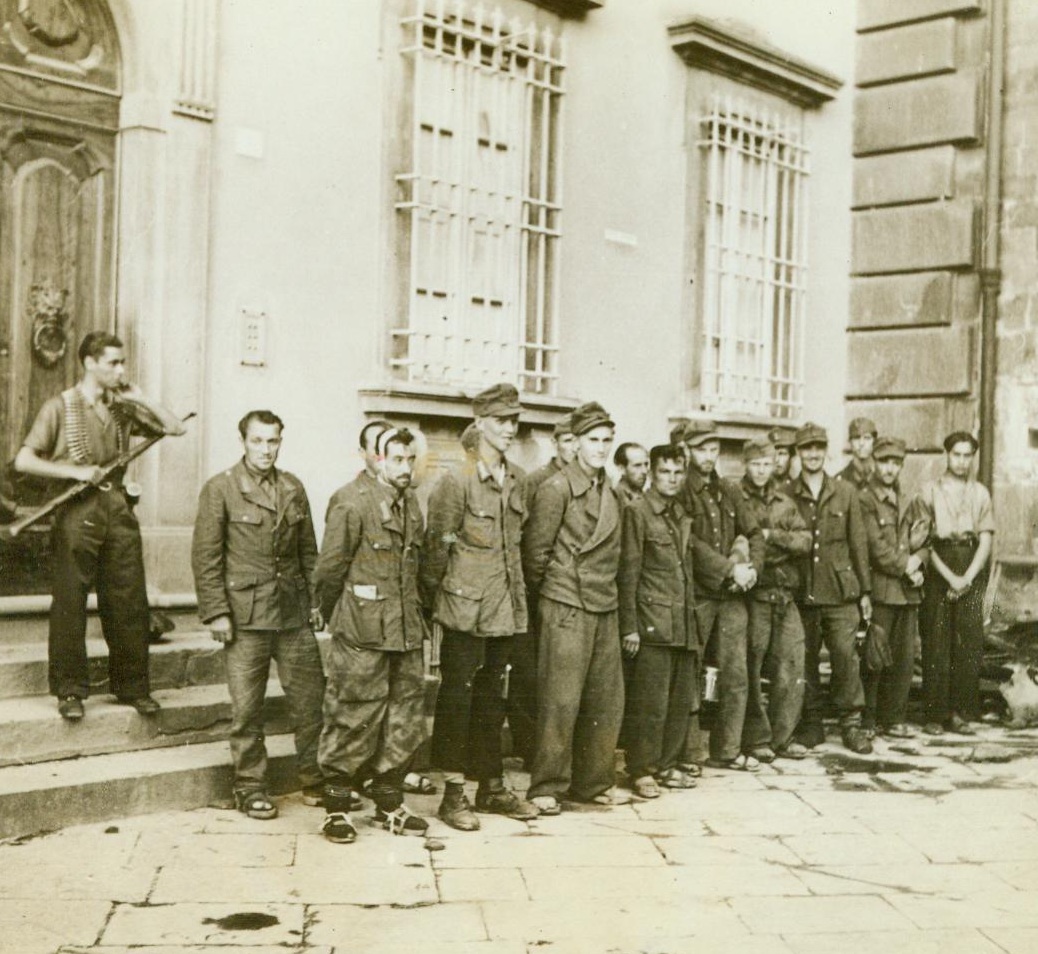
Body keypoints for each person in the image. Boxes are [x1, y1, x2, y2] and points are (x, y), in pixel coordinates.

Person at [14, 331, 185, 721]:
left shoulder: (124, 408)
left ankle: (133, 687)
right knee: (71, 603)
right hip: (77, 512)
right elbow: (25, 460)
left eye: (122, 362)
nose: (121, 370)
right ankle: (70, 691)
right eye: (113, 363)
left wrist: (140, 396)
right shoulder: (61, 407)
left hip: (118, 510)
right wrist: (75, 471)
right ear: (90, 363)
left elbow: (175, 428)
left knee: (128, 602)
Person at [191, 410, 325, 821]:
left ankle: (315, 778)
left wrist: (316, 603)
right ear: (243, 442)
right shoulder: (222, 489)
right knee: (247, 709)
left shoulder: (292, 486)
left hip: (291, 614)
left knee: (311, 701)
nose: (266, 450)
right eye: (258, 441)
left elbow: (308, 552)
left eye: (273, 441)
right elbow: (206, 556)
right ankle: (250, 787)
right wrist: (216, 612)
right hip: (244, 618)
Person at [420, 383, 537, 830]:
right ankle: (453, 794)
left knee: (492, 699)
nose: (510, 428)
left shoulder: (517, 479)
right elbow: (441, 542)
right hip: (465, 610)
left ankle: (490, 786)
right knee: (456, 699)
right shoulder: (457, 480)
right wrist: (447, 591)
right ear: (481, 423)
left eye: (514, 420)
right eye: (502, 421)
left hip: (504, 609)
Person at [314, 427, 429, 843]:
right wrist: (339, 618)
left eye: (409, 460)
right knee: (352, 715)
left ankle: (388, 802)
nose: (404, 468)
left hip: (404, 632)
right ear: (376, 459)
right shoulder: (350, 502)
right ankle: (337, 809)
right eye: (396, 459)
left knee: (404, 719)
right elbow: (329, 571)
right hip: (362, 632)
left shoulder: (411, 503)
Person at [522, 401, 629, 813]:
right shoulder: (557, 489)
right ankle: (547, 784)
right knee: (560, 699)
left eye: (606, 441)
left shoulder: (610, 490)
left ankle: (592, 781)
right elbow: (536, 555)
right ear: (576, 444)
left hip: (603, 603)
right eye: (593, 441)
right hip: (566, 602)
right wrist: (554, 596)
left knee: (605, 698)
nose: (601, 448)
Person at [679, 421, 764, 772]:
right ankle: (688, 753)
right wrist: (729, 569)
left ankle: (727, 749)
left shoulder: (729, 490)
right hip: (699, 594)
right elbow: (691, 544)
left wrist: (751, 569)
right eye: (701, 449)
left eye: (713, 449)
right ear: (687, 451)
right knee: (690, 673)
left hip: (731, 596)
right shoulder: (681, 490)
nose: (709, 456)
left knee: (736, 673)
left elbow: (754, 532)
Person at [617, 444, 698, 798]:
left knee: (678, 701)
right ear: (651, 471)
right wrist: (629, 626)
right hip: (651, 622)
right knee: (650, 704)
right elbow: (629, 571)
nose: (673, 478)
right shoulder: (638, 512)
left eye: (678, 472)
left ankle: (666, 765)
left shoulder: (679, 512)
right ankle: (642, 770)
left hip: (680, 620)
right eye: (665, 471)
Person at [787, 423, 873, 755]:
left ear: (826, 451)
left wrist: (865, 592)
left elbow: (858, 543)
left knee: (845, 658)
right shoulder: (786, 493)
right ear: (798, 453)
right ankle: (812, 724)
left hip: (840, 591)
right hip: (803, 589)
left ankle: (851, 724)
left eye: (818, 447)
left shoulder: (845, 491)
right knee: (804, 659)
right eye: (806, 448)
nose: (812, 453)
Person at [737, 438, 811, 762]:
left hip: (785, 595)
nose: (762, 470)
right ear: (746, 465)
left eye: (767, 463)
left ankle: (783, 737)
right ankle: (757, 738)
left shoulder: (784, 500)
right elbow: (740, 542)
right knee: (751, 668)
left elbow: (805, 540)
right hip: (755, 596)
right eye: (755, 464)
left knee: (792, 665)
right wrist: (776, 545)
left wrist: (771, 537)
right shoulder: (737, 499)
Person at [919, 431, 994, 736]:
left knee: (967, 642)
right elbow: (923, 541)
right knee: (937, 642)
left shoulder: (980, 493)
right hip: (939, 565)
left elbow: (986, 538)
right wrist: (950, 578)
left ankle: (960, 712)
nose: (962, 462)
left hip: (970, 564)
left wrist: (968, 578)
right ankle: (935, 714)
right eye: (956, 454)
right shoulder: (929, 491)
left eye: (967, 456)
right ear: (947, 455)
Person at [859, 437, 929, 739]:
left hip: (908, 592)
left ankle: (895, 718)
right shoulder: (865, 500)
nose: (890, 468)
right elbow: (875, 547)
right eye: (885, 462)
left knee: (903, 659)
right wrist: (907, 566)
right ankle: (869, 718)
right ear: (874, 462)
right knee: (875, 656)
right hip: (883, 589)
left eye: (895, 463)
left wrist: (919, 562)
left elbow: (927, 537)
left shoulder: (910, 498)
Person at [528, 414, 577, 496]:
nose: (574, 448)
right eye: (568, 441)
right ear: (555, 443)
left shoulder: (586, 478)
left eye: (578, 441)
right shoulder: (537, 480)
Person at [837, 417, 877, 492]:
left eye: (867, 438)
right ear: (850, 442)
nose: (861, 443)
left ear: (874, 442)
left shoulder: (882, 476)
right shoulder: (840, 480)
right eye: (857, 438)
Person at [613, 442, 649, 508]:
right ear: (621, 469)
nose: (645, 471)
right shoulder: (614, 500)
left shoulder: (646, 497)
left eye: (646, 464)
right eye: (637, 465)